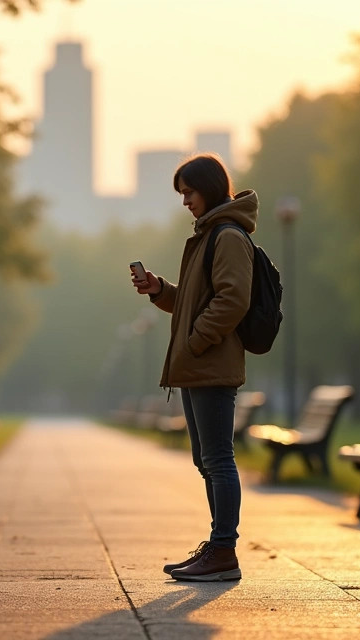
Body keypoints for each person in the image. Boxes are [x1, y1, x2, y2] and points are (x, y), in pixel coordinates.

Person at [131, 154, 257, 582]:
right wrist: (161, 290)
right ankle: (218, 547)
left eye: (189, 191)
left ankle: (224, 551)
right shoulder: (209, 235)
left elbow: (232, 300)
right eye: (181, 193)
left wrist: (195, 341)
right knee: (207, 459)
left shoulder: (227, 235)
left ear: (209, 186)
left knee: (218, 459)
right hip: (199, 364)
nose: (184, 200)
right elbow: (196, 301)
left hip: (211, 365)